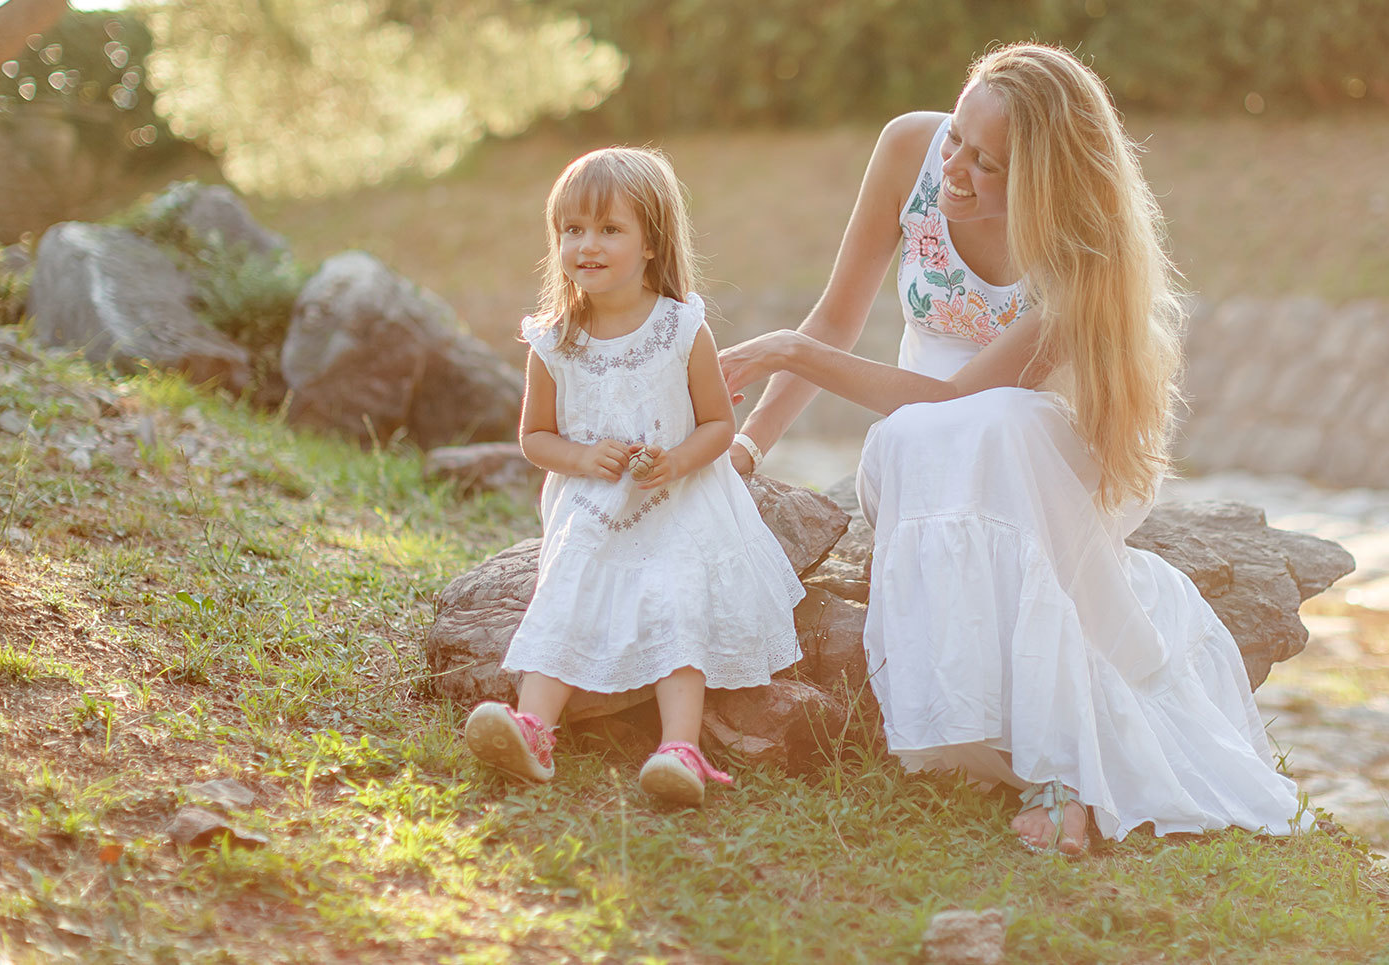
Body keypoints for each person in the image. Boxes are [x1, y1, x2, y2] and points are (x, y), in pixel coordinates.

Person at [720, 43, 1301, 853]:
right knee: (924, 435)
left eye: (987, 163)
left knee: (1001, 426)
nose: (953, 168)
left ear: (1042, 181)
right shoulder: (907, 150)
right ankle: (988, 737)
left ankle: (1063, 766)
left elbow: (969, 401)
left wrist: (787, 350)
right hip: (919, 443)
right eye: (956, 136)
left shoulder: (1076, 255)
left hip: (1043, 447)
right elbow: (837, 318)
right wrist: (746, 446)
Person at [465, 147, 804, 808]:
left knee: (676, 584)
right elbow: (535, 437)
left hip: (681, 492)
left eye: (609, 229)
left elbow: (716, 424)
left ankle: (680, 748)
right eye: (572, 230)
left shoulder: (680, 328)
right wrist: (583, 460)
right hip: (595, 498)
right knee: (571, 575)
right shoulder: (555, 340)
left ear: (651, 243)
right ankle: (534, 730)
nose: (587, 245)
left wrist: (675, 460)